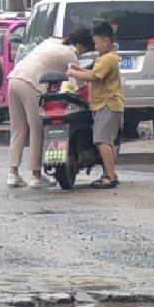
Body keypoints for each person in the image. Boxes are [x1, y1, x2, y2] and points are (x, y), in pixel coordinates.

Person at [5, 27, 95, 188]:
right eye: (85, 50)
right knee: (37, 127)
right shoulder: (70, 55)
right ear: (82, 45)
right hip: (30, 83)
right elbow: (81, 86)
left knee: (18, 129)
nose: (82, 54)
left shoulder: (52, 42)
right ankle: (36, 176)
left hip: (14, 79)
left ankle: (13, 173)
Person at [65, 21, 124, 190]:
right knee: (107, 141)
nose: (96, 46)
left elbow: (94, 77)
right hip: (108, 104)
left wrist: (73, 72)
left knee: (101, 140)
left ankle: (109, 176)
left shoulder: (108, 59)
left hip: (108, 104)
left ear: (106, 41)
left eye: (97, 43)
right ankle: (111, 173)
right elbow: (93, 73)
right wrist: (79, 69)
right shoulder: (108, 58)